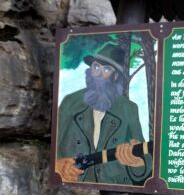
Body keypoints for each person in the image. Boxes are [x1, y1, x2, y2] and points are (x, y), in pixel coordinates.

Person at [55, 43, 152, 185]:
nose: (98, 75)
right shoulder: (70, 102)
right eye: (96, 67)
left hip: (115, 185)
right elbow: (55, 146)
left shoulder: (128, 108)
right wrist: (59, 166)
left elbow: (144, 155)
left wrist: (137, 162)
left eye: (106, 69)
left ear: (115, 76)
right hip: (75, 186)